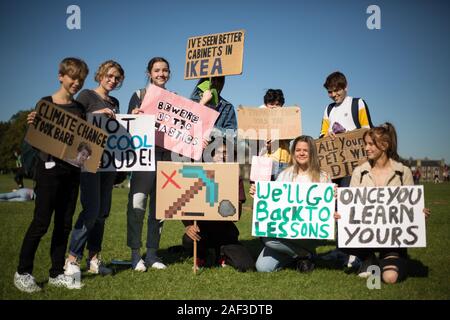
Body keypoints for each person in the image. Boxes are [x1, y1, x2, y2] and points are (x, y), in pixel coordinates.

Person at [13, 57, 89, 293]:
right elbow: (34, 140)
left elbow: (84, 145)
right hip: (48, 172)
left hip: (72, 172)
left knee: (64, 225)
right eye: (73, 77)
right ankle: (23, 272)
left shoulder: (80, 109)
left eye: (81, 79)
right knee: (40, 223)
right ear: (61, 76)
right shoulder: (45, 104)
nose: (76, 82)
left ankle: (56, 273)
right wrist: (33, 125)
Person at [335, 123, 431, 284]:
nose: (366, 148)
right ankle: (369, 258)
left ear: (384, 146)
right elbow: (352, 206)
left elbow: (410, 206)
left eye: (371, 144)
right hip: (365, 237)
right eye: (365, 144)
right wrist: (342, 214)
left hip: (392, 239)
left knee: (389, 278)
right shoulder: (359, 172)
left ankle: (395, 259)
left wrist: (419, 214)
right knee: (341, 238)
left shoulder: (403, 172)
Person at [64, 60, 124, 281]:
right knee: (90, 211)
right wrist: (97, 112)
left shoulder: (116, 102)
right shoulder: (86, 97)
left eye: (117, 77)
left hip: (109, 163)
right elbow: (75, 124)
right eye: (109, 75)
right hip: (90, 164)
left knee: (102, 214)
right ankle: (71, 260)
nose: (112, 80)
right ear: (100, 75)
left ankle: (94, 260)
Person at [250, 135, 332, 272]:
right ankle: (303, 255)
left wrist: (332, 200)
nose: (301, 153)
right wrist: (258, 196)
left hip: (307, 234)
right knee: (262, 268)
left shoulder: (323, 177)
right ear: (293, 152)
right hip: (284, 233)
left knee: (269, 240)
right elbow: (271, 202)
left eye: (305, 150)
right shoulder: (284, 175)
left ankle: (301, 251)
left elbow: (327, 210)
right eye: (298, 150)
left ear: (312, 152)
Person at [126, 57, 172, 271]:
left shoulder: (174, 99)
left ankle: (152, 254)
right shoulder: (139, 95)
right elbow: (127, 128)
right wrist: (133, 116)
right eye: (157, 70)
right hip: (144, 159)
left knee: (159, 211)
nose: (161, 74)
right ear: (149, 73)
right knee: (137, 206)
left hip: (166, 159)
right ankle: (136, 255)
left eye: (165, 70)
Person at [182, 137, 253, 271]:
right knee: (189, 239)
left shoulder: (235, 177)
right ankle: (203, 254)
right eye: (219, 153)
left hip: (225, 233)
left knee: (246, 265)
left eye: (226, 153)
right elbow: (185, 205)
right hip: (201, 230)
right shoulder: (198, 175)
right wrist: (188, 226)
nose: (223, 156)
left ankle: (221, 253)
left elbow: (236, 216)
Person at [320, 71, 374, 188]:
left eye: (337, 90)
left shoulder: (357, 103)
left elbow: (368, 130)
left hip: (354, 165)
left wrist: (348, 135)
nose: (334, 94)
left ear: (346, 87)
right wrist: (328, 135)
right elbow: (322, 135)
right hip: (333, 166)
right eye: (330, 92)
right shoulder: (328, 109)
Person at [258, 89, 291, 180]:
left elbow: (293, 134)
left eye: (277, 104)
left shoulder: (287, 117)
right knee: (263, 191)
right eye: (271, 104)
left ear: (282, 105)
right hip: (264, 158)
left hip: (283, 160)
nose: (274, 107)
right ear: (266, 104)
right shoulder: (259, 117)